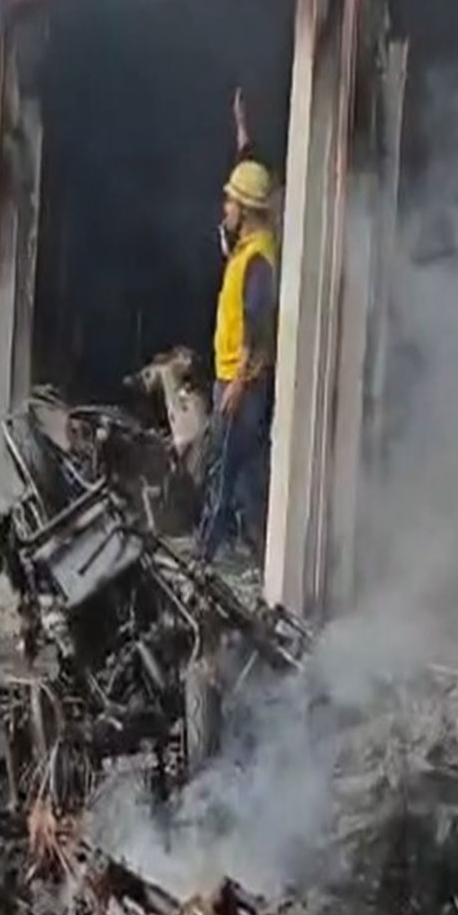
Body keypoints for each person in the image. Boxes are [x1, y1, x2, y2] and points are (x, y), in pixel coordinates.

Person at [198, 88, 278, 565]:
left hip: (241, 383)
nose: (224, 208)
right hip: (236, 379)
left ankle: (207, 559)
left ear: (245, 211)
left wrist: (236, 385)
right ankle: (252, 554)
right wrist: (242, 129)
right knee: (243, 473)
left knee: (222, 470)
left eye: (230, 203)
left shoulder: (258, 260)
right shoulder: (248, 244)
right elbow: (248, 167)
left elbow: (257, 322)